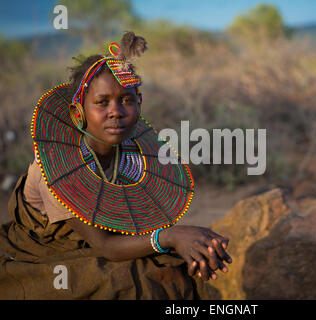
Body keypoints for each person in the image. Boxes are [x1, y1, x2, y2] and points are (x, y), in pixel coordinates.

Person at [0, 32, 231, 300]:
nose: (116, 111)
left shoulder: (134, 157)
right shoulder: (57, 170)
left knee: (178, 270)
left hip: (103, 241)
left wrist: (196, 243)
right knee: (127, 282)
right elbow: (107, 247)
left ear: (139, 105)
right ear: (79, 112)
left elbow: (134, 222)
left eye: (127, 100)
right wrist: (170, 237)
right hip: (45, 249)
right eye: (101, 102)